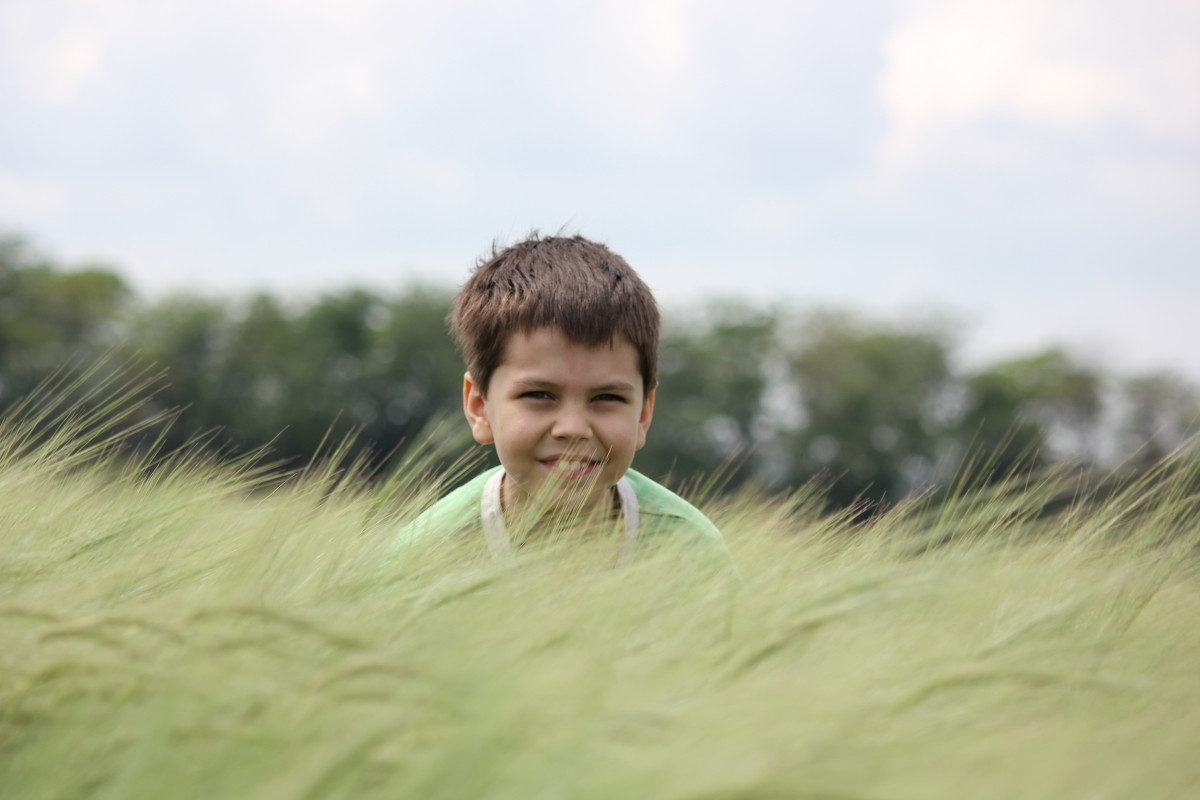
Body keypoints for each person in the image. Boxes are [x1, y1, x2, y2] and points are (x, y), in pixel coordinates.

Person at [396, 234, 724, 561]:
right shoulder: (421, 558)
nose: (573, 428)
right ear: (479, 407)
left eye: (607, 397)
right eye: (539, 394)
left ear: (642, 414)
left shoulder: (691, 551)